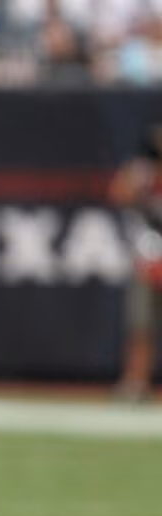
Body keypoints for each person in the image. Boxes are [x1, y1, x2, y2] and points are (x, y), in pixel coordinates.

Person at [110, 122, 162, 402]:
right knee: (141, 325)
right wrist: (139, 176)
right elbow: (119, 193)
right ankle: (135, 382)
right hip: (149, 256)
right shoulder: (143, 171)